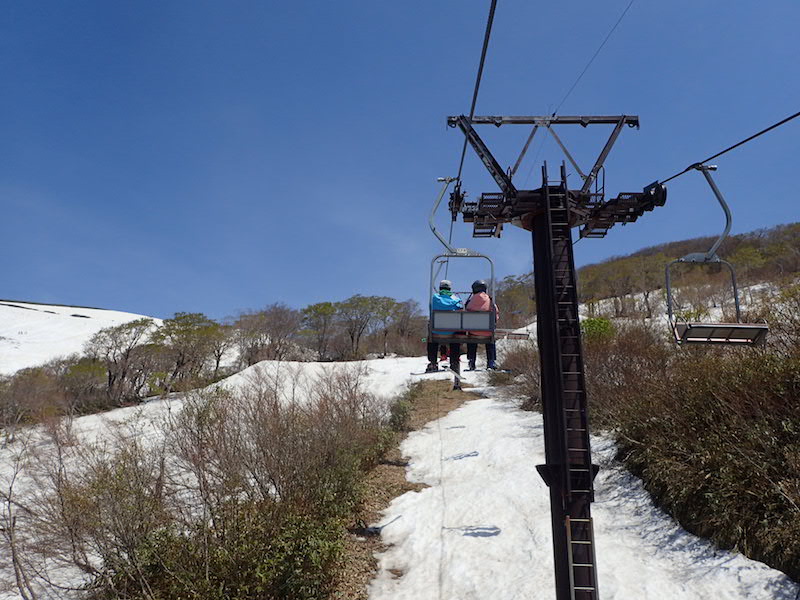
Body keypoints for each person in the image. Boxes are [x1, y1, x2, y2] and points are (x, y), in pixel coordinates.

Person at [426, 279, 463, 373]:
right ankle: (454, 362)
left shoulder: (434, 298)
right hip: (451, 331)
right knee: (456, 339)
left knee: (431, 339)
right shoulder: (456, 299)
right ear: (450, 289)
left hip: (436, 330)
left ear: (440, 288)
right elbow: (460, 310)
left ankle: (433, 362)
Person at [465, 279, 499, 370]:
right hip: (487, 331)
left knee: (471, 340)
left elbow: (466, 315)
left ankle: (472, 361)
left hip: (473, 331)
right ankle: (491, 362)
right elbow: (496, 315)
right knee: (490, 340)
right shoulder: (490, 300)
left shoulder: (470, 302)